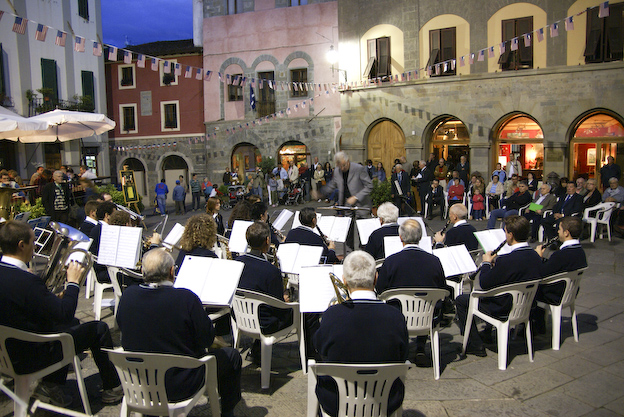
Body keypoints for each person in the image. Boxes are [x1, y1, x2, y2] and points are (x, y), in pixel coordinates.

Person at [0, 220, 122, 406]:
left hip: (7, 353)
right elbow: (64, 313)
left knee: (72, 324)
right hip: (31, 357)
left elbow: (19, 306)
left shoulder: (13, 276)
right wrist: (73, 283)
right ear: (21, 245)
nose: (35, 247)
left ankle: (51, 386)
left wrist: (52, 298)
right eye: (33, 242)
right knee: (99, 329)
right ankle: (113, 388)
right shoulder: (26, 281)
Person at [116, 248, 241, 417]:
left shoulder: (127, 296)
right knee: (232, 356)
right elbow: (207, 339)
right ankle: (227, 412)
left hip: (139, 382)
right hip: (180, 386)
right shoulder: (186, 299)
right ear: (171, 272)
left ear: (143, 272)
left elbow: (122, 326)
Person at [314, 251, 409, 417]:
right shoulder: (396, 316)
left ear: (344, 280)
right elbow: (403, 355)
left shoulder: (332, 315)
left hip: (337, 401)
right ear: (376, 278)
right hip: (386, 399)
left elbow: (319, 348)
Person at [455, 215, 541, 356]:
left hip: (503, 307)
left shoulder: (506, 260)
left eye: (505, 232)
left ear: (511, 235)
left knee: (461, 300)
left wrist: (486, 263)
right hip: (525, 305)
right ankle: (487, 333)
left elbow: (485, 283)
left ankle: (475, 344)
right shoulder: (535, 256)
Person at [531, 216, 588, 334]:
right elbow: (555, 267)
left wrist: (538, 258)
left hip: (557, 293)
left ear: (566, 233)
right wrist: (544, 260)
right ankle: (538, 325)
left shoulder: (561, 255)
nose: (557, 231)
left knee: (530, 290)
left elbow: (541, 273)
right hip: (570, 291)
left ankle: (533, 327)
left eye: (560, 229)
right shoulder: (580, 251)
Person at [320, 152, 373, 251]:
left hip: (361, 204)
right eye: (339, 166)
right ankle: (349, 254)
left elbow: (369, 186)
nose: (342, 168)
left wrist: (356, 197)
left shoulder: (358, 169)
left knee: (362, 234)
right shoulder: (337, 171)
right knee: (348, 232)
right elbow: (333, 184)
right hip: (346, 205)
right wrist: (321, 193)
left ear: (348, 161)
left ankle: (363, 254)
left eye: (343, 165)